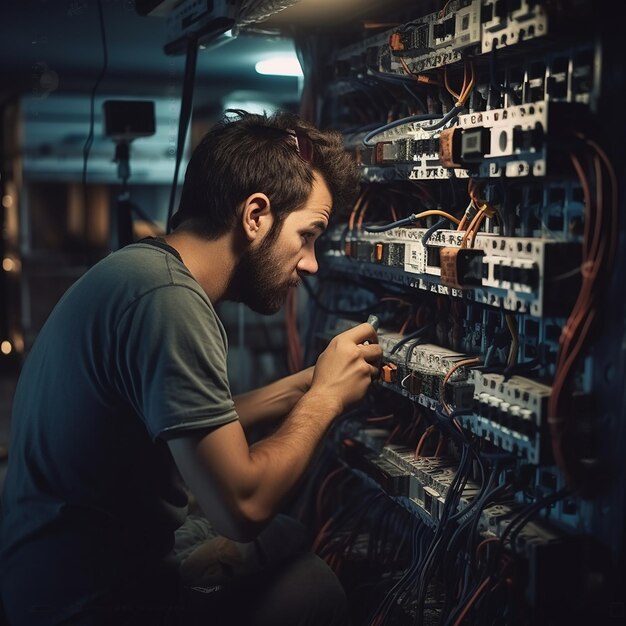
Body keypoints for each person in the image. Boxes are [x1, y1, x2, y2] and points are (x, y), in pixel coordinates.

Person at [0, 109, 382, 626]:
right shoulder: (171, 302)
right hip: (87, 604)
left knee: (288, 535)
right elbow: (241, 509)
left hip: (39, 582)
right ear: (255, 215)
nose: (311, 262)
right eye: (308, 235)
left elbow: (181, 419)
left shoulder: (141, 270)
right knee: (313, 587)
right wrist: (324, 401)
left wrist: (306, 383)